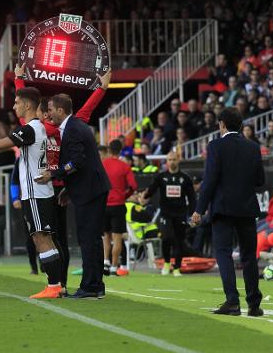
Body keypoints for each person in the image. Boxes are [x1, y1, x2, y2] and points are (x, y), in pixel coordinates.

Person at [0, 87, 64, 299]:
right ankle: (57, 284)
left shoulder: (29, 129)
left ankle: (54, 286)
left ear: (27, 105)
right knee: (45, 239)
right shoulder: (37, 128)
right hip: (40, 191)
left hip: (35, 193)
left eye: (16, 103)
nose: (14, 106)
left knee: (41, 239)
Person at [14, 64, 109, 293]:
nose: (46, 113)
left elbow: (84, 111)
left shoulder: (58, 128)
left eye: (49, 110)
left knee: (58, 239)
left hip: (55, 186)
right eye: (44, 110)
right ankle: (61, 284)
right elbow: (23, 108)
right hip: (56, 186)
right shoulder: (39, 129)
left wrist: (101, 89)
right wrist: (19, 79)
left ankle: (62, 284)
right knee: (55, 238)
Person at [191, 107, 265, 317]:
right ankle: (254, 304)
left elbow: (210, 180)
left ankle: (232, 301)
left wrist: (199, 209)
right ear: (241, 125)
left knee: (223, 253)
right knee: (249, 255)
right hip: (247, 208)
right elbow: (260, 181)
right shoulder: (253, 147)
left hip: (223, 208)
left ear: (221, 124)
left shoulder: (216, 146)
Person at [40, 93, 111, 299]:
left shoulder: (72, 130)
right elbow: (81, 162)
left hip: (90, 191)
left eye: (51, 110)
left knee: (88, 239)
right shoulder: (75, 126)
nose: (49, 114)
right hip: (90, 189)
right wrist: (68, 189)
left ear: (60, 111)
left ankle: (90, 287)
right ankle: (95, 285)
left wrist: (53, 174)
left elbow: (76, 162)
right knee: (92, 239)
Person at [143, 152, 195, 277]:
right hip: (166, 214)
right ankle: (166, 263)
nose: (172, 162)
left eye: (174, 159)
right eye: (169, 159)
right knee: (166, 238)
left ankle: (177, 267)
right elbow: (152, 189)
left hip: (180, 213)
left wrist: (193, 214)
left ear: (178, 160)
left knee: (179, 240)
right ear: (166, 161)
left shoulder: (185, 178)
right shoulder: (161, 177)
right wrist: (145, 197)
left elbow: (192, 197)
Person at [102, 139, 137, 276]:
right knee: (117, 237)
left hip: (104, 204)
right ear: (120, 150)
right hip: (118, 205)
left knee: (105, 236)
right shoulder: (125, 166)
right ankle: (114, 267)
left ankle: (105, 262)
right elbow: (133, 186)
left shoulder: (103, 164)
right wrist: (125, 195)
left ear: (109, 150)